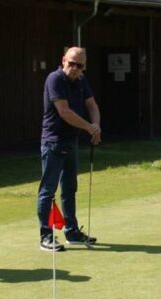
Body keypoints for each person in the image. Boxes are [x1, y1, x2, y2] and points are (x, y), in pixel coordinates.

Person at [37, 47, 100, 251]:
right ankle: (46, 235)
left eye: (79, 65)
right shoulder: (54, 79)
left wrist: (96, 126)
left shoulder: (81, 81)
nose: (74, 68)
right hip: (53, 142)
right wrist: (88, 127)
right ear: (63, 60)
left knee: (70, 188)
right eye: (71, 63)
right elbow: (64, 112)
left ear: (84, 67)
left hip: (71, 141)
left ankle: (71, 231)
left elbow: (91, 104)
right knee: (48, 190)